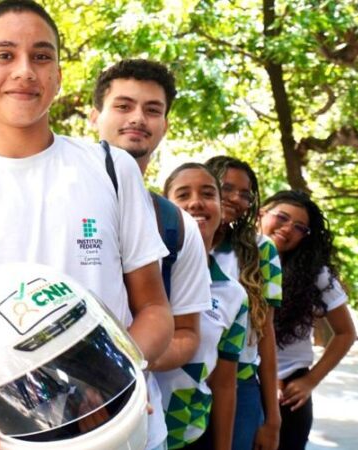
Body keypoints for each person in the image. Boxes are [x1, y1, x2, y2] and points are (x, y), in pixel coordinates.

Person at [0, 2, 174, 449]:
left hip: (121, 430)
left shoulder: (111, 168)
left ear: (60, 75)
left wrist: (114, 377)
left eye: (42, 56)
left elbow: (156, 311)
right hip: (4, 437)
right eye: (5, 55)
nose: (25, 70)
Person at [90, 58, 212, 450]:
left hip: (139, 427)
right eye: (123, 106)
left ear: (165, 125)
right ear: (95, 117)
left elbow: (188, 333)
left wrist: (117, 367)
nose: (138, 118)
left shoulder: (177, 225)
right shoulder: (48, 197)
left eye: (152, 110)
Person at [259, 191, 355, 450]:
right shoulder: (231, 259)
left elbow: (345, 333)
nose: (288, 228)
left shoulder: (315, 274)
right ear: (260, 214)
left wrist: (310, 380)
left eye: (299, 227)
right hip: (241, 382)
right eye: (282, 217)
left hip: (289, 391)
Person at [161, 164, 249, 449]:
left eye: (208, 193)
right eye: (183, 195)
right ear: (165, 208)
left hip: (190, 435)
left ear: (221, 209)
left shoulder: (234, 295)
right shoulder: (140, 273)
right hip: (135, 431)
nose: (196, 202)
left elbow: (224, 384)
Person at [204, 156, 282, 450]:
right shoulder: (176, 239)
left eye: (246, 194)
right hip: (181, 382)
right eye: (227, 188)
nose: (237, 199)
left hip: (241, 382)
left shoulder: (261, 249)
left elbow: (266, 333)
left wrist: (273, 418)